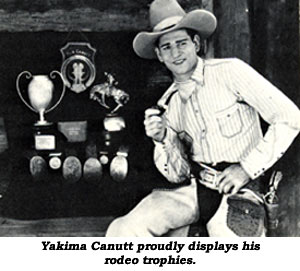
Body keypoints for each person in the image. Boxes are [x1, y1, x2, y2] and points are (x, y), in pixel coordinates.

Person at [105, 0, 300, 237]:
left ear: (196, 43)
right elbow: (177, 175)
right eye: (166, 47)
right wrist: (163, 138)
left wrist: (246, 169)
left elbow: (290, 117)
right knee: (122, 231)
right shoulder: (168, 105)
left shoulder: (231, 72)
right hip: (197, 189)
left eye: (181, 43)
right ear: (158, 55)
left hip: (243, 189)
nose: (175, 53)